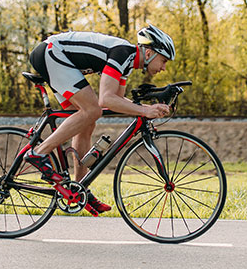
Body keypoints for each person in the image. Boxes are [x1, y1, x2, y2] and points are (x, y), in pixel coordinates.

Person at [25, 24, 176, 216]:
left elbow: (116, 101)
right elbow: (106, 100)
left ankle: (80, 189)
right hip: (52, 53)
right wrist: (145, 110)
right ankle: (39, 153)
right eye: (163, 60)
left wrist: (146, 109)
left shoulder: (127, 63)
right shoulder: (123, 53)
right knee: (91, 110)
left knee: (87, 121)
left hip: (55, 56)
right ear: (148, 54)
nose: (164, 67)